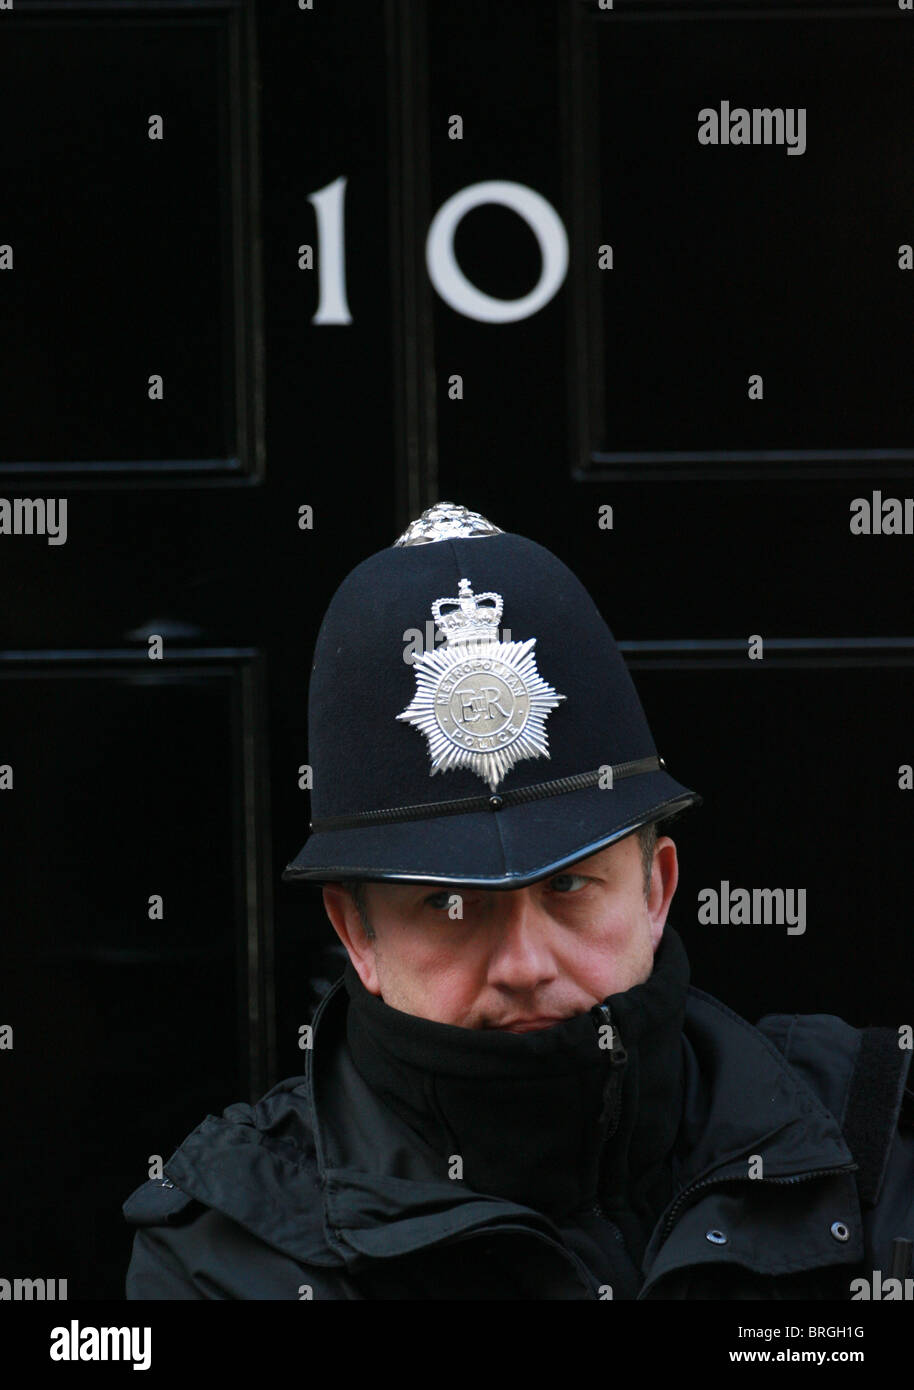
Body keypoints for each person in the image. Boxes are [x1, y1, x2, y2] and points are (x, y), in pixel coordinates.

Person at [123, 502, 914, 1300]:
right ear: (355, 934)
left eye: (568, 886)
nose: (525, 965)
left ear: (655, 889)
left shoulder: (873, 1144)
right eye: (447, 906)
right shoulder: (230, 1252)